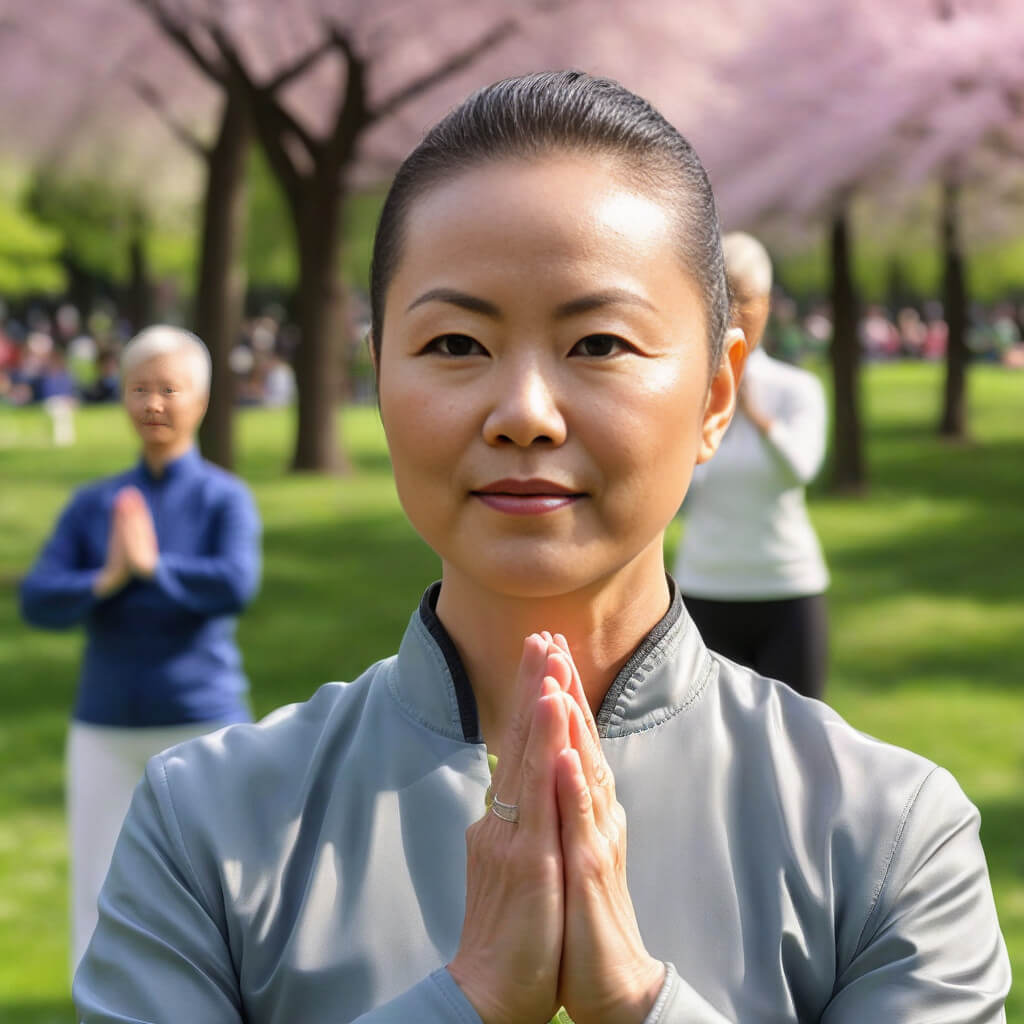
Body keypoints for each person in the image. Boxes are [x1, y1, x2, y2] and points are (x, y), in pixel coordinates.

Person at [73, 73, 1009, 1023]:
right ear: (379, 374)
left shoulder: (889, 837)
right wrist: (467, 999)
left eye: (599, 343)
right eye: (454, 345)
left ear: (717, 396)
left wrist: (639, 1005)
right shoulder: (204, 828)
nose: (523, 411)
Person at [19, 325, 262, 977]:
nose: (154, 404)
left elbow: (235, 585)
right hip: (104, 725)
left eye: (169, 389)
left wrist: (155, 569)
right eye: (139, 389)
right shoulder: (95, 503)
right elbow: (38, 597)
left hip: (203, 719)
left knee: (226, 885)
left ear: (202, 400)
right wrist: (106, 580)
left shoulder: (223, 498)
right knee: (97, 891)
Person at [673, 233, 831, 700]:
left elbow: (799, 469)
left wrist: (758, 416)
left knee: (796, 743)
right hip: (705, 584)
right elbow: (676, 494)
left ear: (766, 303)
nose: (734, 312)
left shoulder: (795, 388)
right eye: (722, 297)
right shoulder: (684, 392)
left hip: (785, 584)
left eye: (744, 299)